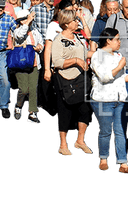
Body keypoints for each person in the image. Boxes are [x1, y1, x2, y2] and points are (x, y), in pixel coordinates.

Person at [90, 28, 128, 173]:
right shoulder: (97, 56)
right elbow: (104, 77)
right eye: (117, 39)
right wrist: (120, 67)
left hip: (120, 99)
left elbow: (123, 77)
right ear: (108, 40)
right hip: (103, 100)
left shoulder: (118, 55)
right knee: (105, 131)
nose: (119, 42)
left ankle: (123, 163)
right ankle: (103, 158)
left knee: (121, 131)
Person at [51, 10, 93, 156]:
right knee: (65, 111)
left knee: (85, 110)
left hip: (81, 79)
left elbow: (84, 53)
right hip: (65, 80)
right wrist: (76, 61)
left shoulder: (78, 37)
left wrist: (101, 54)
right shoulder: (58, 40)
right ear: (67, 23)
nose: (77, 22)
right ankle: (63, 145)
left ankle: (80, 141)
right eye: (75, 20)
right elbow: (56, 62)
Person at [13, 9, 44, 123]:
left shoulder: (35, 31)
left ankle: (32, 112)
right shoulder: (17, 31)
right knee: (23, 89)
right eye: (25, 19)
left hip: (35, 64)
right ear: (20, 21)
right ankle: (18, 106)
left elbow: (41, 41)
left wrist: (40, 46)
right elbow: (20, 36)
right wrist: (28, 21)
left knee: (33, 88)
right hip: (21, 64)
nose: (29, 21)